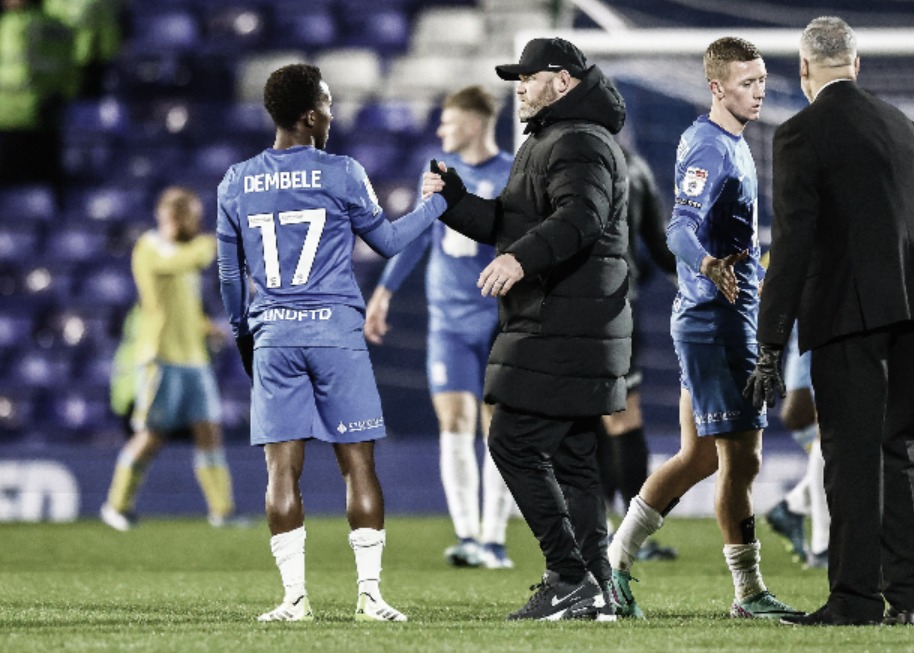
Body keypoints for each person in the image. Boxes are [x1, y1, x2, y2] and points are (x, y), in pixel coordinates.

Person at [216, 63, 448, 622]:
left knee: (281, 471)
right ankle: (370, 596)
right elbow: (389, 242)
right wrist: (438, 204)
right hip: (336, 335)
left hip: (274, 335)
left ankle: (294, 600)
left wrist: (242, 332)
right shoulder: (343, 171)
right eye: (327, 102)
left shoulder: (235, 181)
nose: (333, 112)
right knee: (358, 465)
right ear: (308, 116)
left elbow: (229, 277)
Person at [425, 36, 629, 621]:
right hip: (578, 324)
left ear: (561, 81)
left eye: (528, 77)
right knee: (574, 459)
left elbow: (581, 218)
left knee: (511, 441)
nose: (518, 86)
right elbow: (511, 223)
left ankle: (569, 576)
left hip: (562, 322)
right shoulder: (554, 139)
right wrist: (458, 201)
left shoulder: (578, 141)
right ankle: (598, 587)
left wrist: (520, 260)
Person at [605, 37, 802, 621]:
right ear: (717, 88)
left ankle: (613, 564)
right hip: (714, 321)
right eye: (747, 82)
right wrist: (708, 265)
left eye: (763, 79)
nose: (760, 90)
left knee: (700, 457)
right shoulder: (711, 150)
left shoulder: (728, 141)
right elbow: (677, 228)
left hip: (719, 316)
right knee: (741, 458)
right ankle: (748, 592)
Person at [746, 16, 914, 627]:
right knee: (898, 456)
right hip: (908, 315)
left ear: (805, 69)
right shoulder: (903, 127)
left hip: (847, 319)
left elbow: (790, 248)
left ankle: (855, 598)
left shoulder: (799, 135)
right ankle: (909, 597)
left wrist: (768, 344)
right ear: (857, 65)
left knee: (849, 460)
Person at [363, 85, 515, 570]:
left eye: (448, 121)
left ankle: (494, 538)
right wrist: (385, 290)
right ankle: (467, 535)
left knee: (499, 429)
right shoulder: (437, 171)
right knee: (453, 422)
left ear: (472, 125)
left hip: (498, 319)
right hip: (448, 322)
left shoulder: (512, 172)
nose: (440, 130)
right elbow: (417, 232)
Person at [100, 186, 239, 531]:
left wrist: (208, 328)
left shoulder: (183, 251)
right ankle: (116, 506)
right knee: (152, 435)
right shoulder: (150, 248)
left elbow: (186, 305)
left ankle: (222, 512)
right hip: (160, 357)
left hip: (195, 359)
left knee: (209, 431)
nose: (198, 223)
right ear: (172, 217)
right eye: (193, 216)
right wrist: (213, 243)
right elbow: (181, 262)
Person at [598, 145, 678, 562]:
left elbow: (656, 248)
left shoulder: (557, 158)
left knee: (610, 416)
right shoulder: (637, 166)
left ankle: (615, 534)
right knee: (618, 417)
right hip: (614, 308)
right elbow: (657, 248)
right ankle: (625, 535)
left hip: (590, 309)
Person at [764, 324, 829, 570]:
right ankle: (824, 546)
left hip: (819, 316)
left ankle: (795, 505)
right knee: (835, 421)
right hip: (836, 315)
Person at [0, 0, 76, 192]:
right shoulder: (60, 26)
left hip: (17, 120)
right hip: (43, 116)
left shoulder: (11, 25)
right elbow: (70, 74)